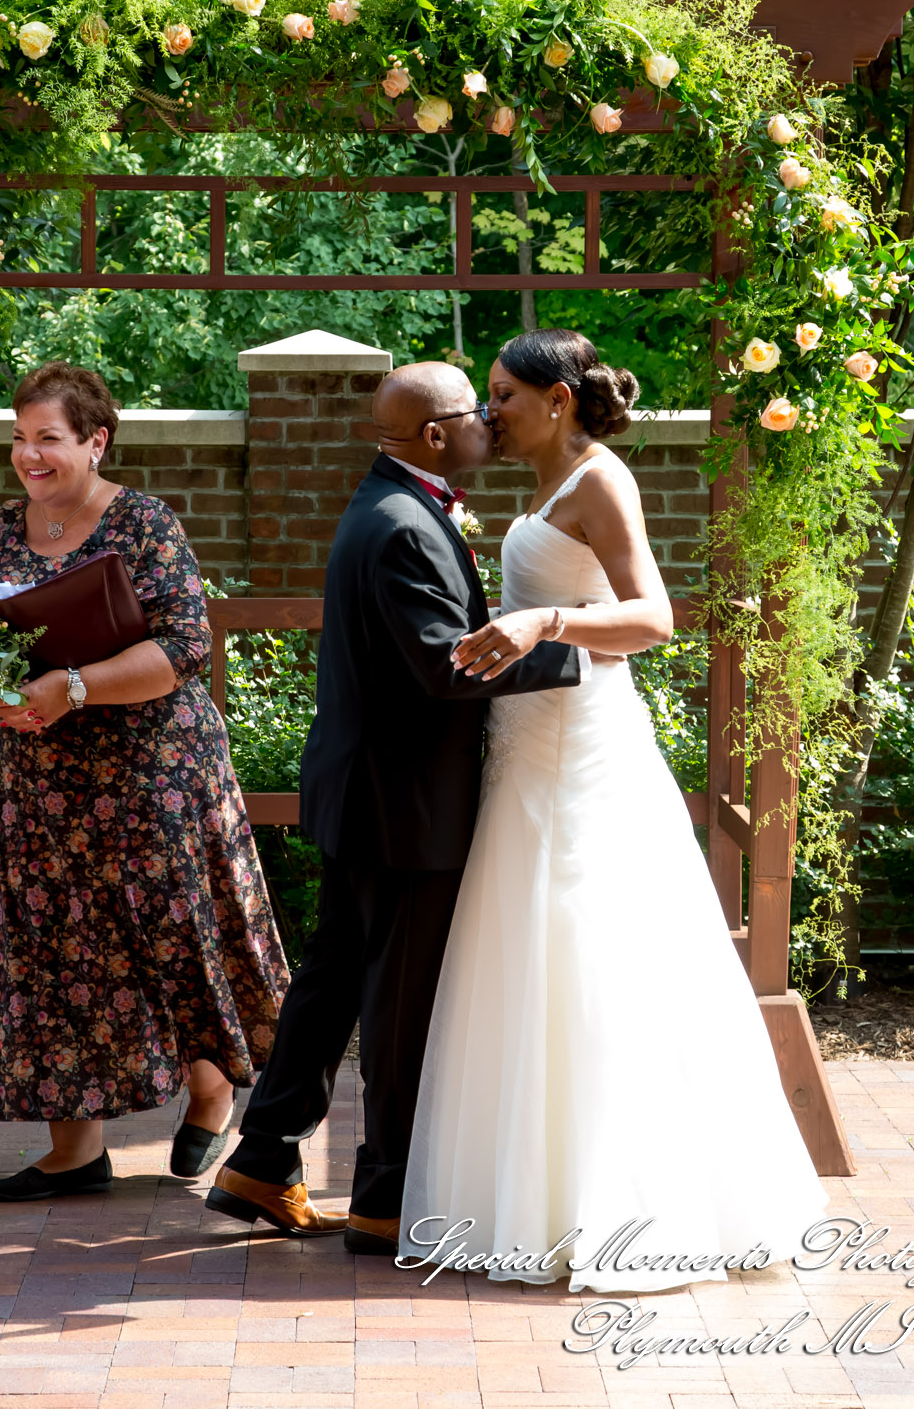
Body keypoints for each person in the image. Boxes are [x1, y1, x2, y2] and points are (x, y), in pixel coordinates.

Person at [397, 328, 831, 1291]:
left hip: (583, 746)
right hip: (525, 746)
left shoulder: (602, 480)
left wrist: (544, 620)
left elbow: (653, 619)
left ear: (557, 400)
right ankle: (533, 1201)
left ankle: (628, 1206)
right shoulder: (546, 480)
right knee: (527, 955)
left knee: (595, 955)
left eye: (504, 393)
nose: (489, 410)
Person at [207, 361, 595, 1253]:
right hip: (403, 807)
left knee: (337, 977)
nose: (490, 424)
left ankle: (262, 1157)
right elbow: (442, 664)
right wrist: (580, 658)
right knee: (397, 1000)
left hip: (367, 792)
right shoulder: (403, 529)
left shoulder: (397, 506)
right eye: (476, 413)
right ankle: (382, 1197)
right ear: (432, 436)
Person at [0, 360, 290, 1201]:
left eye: (49, 439)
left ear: (95, 440)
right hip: (42, 783)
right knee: (55, 952)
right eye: (19, 439)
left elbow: (186, 647)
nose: (30, 456)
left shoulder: (144, 522)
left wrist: (73, 688)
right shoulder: (1, 532)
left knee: (170, 938)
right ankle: (75, 1152)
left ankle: (212, 1089)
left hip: (152, 773)